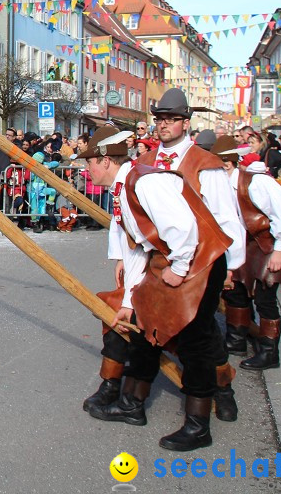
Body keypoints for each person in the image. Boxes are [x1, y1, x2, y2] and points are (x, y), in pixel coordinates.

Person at [80, 127, 232, 452]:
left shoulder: (143, 182)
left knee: (195, 340)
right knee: (142, 327)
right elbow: (137, 250)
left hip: (199, 261)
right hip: (175, 259)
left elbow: (183, 227)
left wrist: (179, 269)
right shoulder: (124, 187)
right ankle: (132, 405)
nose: (85, 170)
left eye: (89, 162)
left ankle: (197, 424)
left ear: (105, 160)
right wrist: (128, 299)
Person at [134, 88, 246, 421]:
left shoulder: (205, 163)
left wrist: (231, 267)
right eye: (160, 118)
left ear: (185, 122)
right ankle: (132, 398)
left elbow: (227, 218)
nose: (164, 124)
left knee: (200, 330)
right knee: (152, 323)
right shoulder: (145, 162)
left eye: (171, 119)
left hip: (203, 258)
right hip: (161, 259)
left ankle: (221, 390)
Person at [212, 138, 281, 370]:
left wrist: (279, 250)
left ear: (228, 164)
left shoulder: (258, 183)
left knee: (265, 298)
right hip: (245, 245)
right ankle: (236, 340)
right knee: (235, 292)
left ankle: (270, 353)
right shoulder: (220, 187)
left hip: (268, 243)